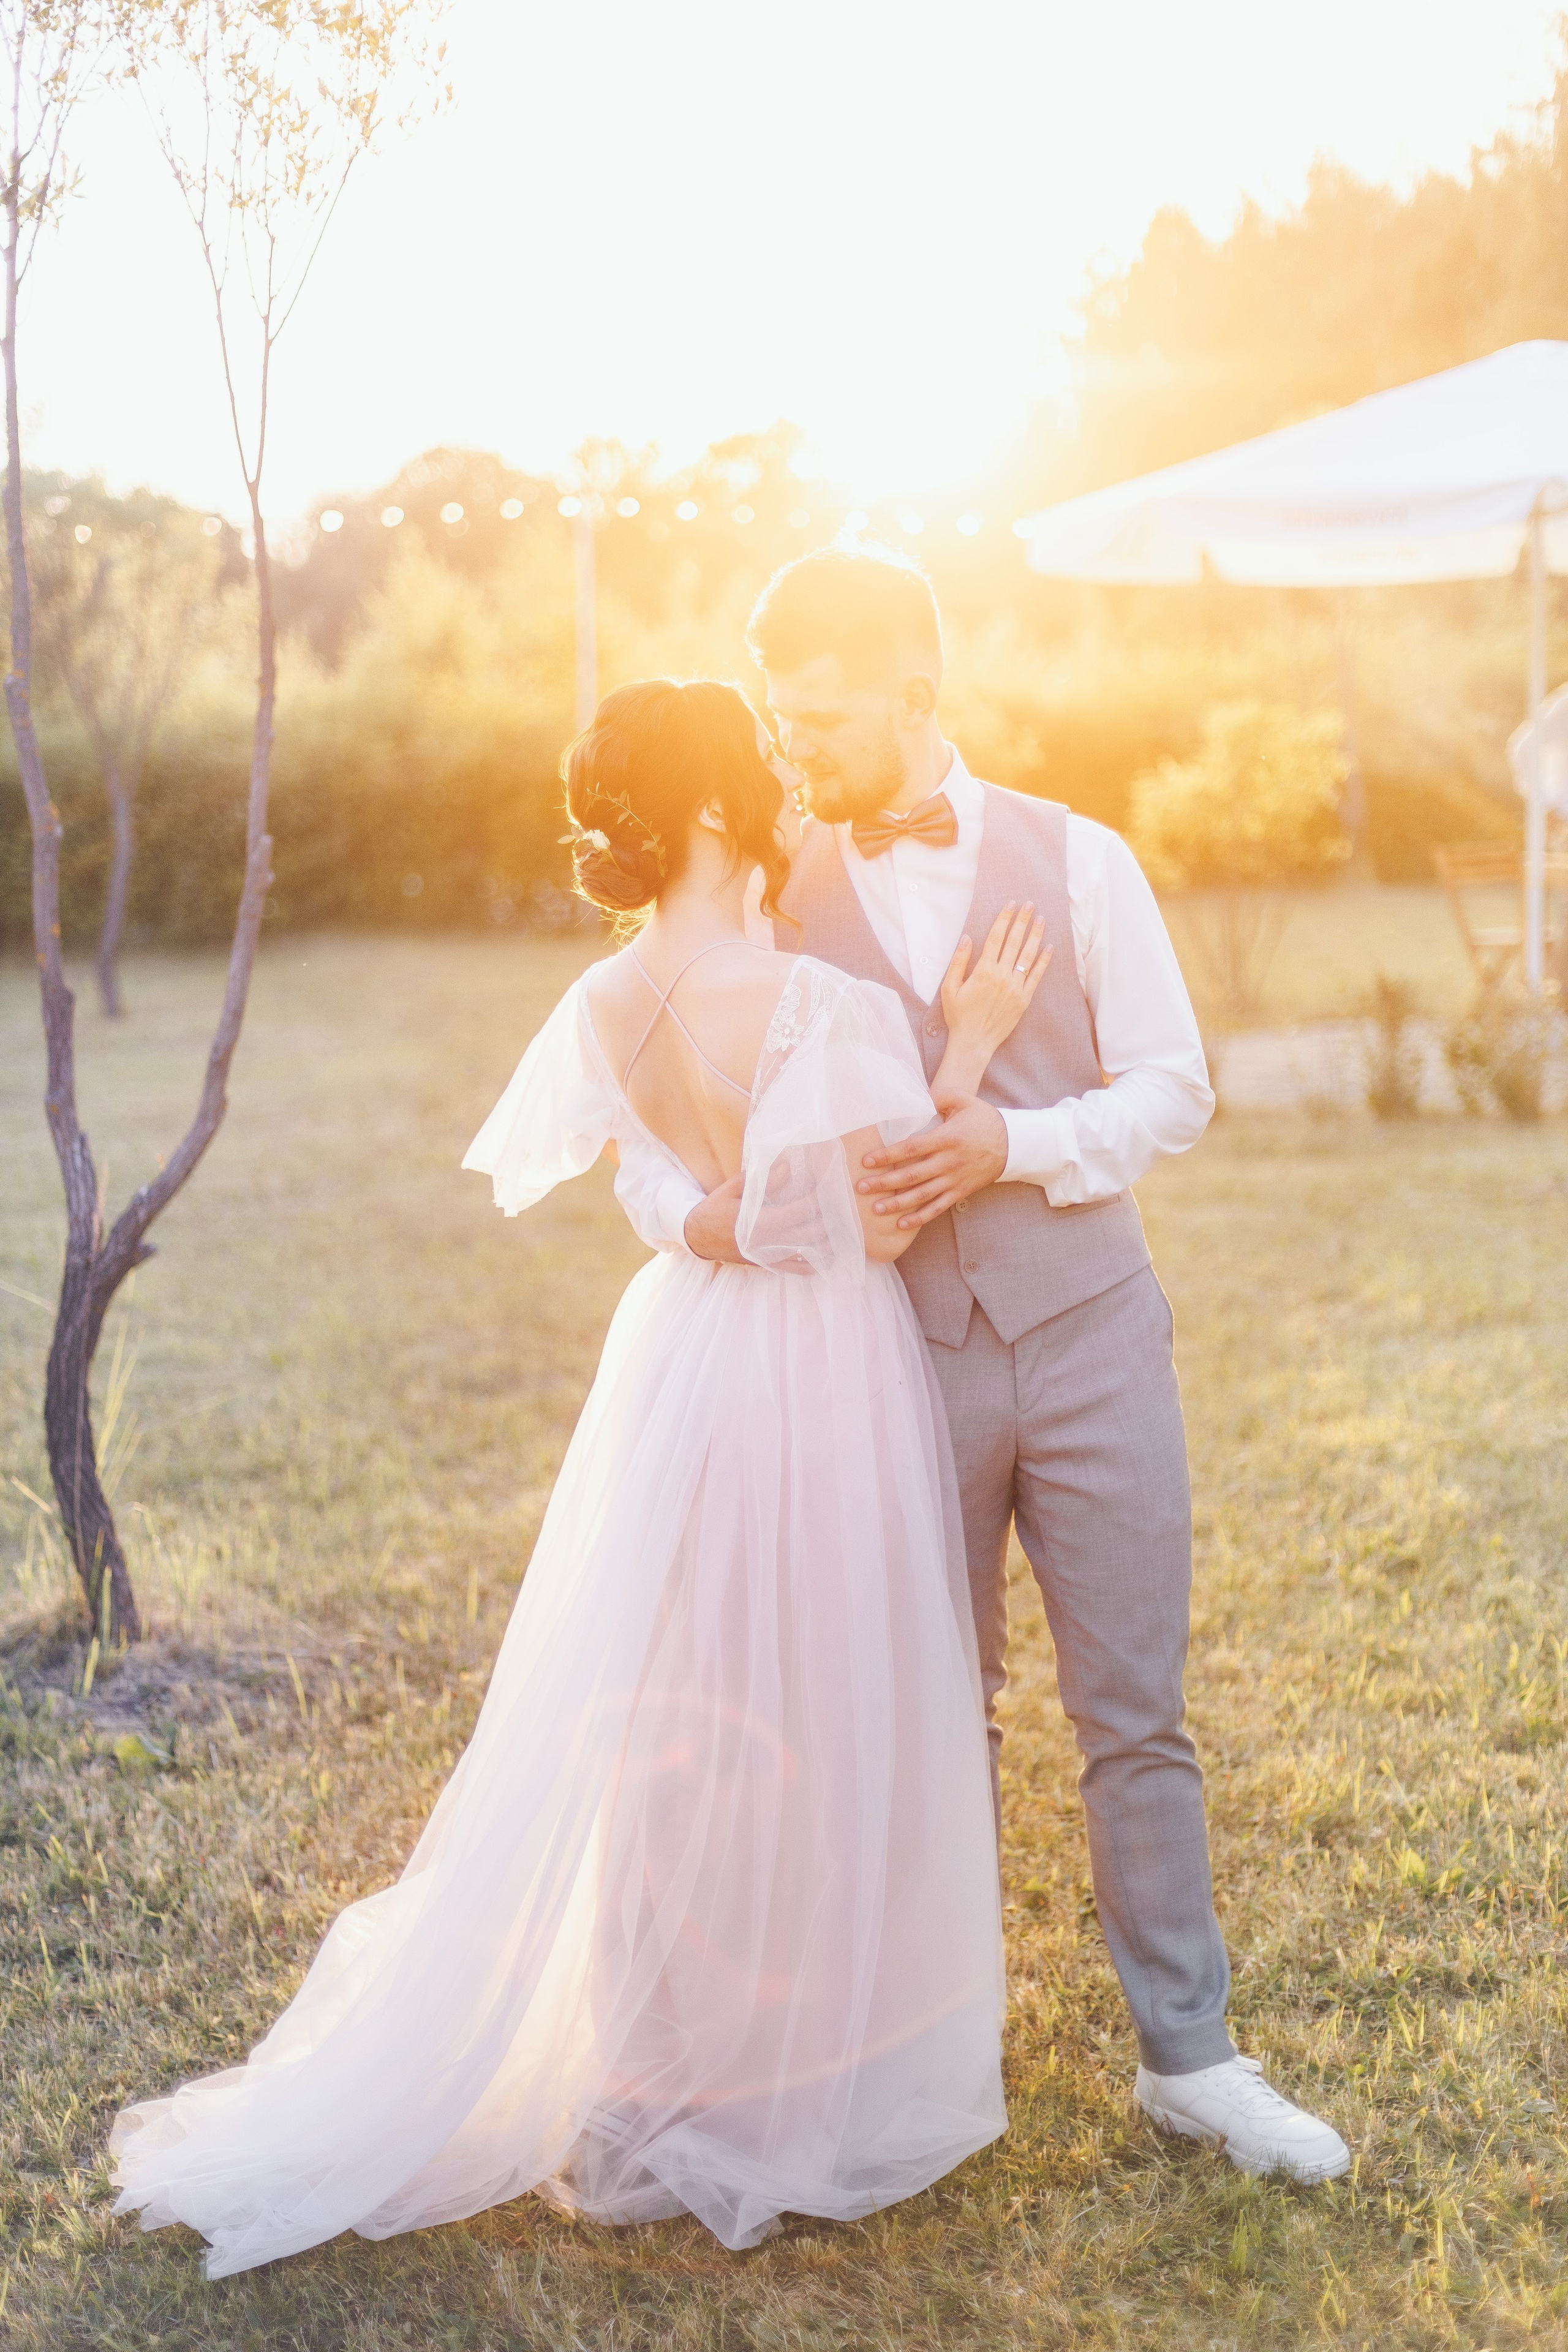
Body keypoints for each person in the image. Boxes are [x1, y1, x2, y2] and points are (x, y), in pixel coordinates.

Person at [108, 677, 1051, 2276]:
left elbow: (661, 1202)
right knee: (811, 1690)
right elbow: (880, 1220)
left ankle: (660, 2054)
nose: (774, 782)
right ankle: (785, 2070)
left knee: (672, 1693)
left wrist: (721, 1218)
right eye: (752, 766)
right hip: (816, 1359)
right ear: (705, 810)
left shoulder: (603, 1004)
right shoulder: (821, 1006)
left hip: (681, 1354)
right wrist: (969, 1054)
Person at [616, 549, 1351, 2184]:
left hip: (1092, 1337)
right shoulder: (760, 885)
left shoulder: (1078, 860)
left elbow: (1175, 1091)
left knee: (1135, 1708)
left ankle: (1195, 2059)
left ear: (919, 697)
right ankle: (905, 2066)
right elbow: (642, 1122)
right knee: (910, 1714)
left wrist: (1001, 1143)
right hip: (880, 1368)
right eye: (779, 716)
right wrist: (702, 1220)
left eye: (821, 716)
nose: (793, 749)